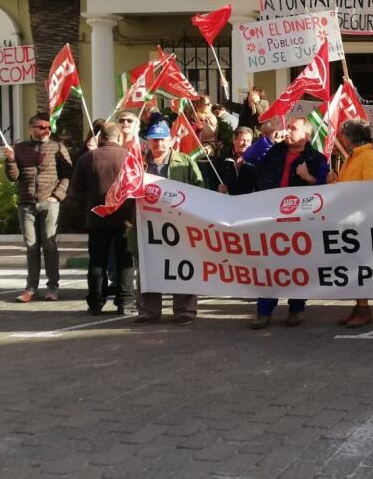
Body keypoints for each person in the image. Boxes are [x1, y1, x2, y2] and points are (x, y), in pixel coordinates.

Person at [245, 117, 330, 329]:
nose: (288, 131)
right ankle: (264, 311)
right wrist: (267, 138)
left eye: (293, 128)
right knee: (269, 265)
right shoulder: (274, 150)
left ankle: (296, 308)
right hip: (270, 216)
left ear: (307, 136)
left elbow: (325, 188)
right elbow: (249, 157)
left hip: (299, 221)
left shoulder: (317, 159)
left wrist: (308, 177)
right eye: (288, 127)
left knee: (297, 265)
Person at [133, 121, 205, 326]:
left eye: (162, 139)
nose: (159, 144)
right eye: (155, 140)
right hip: (147, 227)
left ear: (170, 140)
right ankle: (149, 311)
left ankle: (185, 310)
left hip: (180, 226)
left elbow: (199, 187)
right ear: (148, 141)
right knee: (148, 268)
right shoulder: (138, 164)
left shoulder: (184, 161)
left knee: (183, 266)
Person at [2, 113, 73, 303]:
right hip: (26, 203)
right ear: (31, 128)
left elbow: (68, 174)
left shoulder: (57, 147)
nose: (46, 131)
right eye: (41, 127)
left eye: (48, 127)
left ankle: (52, 287)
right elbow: (13, 177)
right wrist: (10, 160)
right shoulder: (20, 148)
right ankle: (31, 288)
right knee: (31, 246)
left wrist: (57, 196)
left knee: (50, 245)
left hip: (49, 203)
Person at [70, 122, 135, 315]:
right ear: (119, 137)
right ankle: (125, 302)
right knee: (125, 260)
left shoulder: (87, 158)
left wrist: (93, 197)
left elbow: (75, 190)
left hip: (97, 217)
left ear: (100, 138)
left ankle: (96, 303)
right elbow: (136, 188)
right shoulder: (128, 157)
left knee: (97, 260)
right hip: (124, 218)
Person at [328, 119, 373, 328]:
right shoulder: (353, 157)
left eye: (342, 134)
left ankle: (364, 308)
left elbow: (370, 190)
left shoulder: (368, 156)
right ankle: (359, 305)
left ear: (351, 137)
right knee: (352, 264)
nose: (340, 137)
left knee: (359, 265)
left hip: (359, 220)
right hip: (349, 219)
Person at [217, 126, 258, 196]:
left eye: (248, 141)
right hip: (225, 199)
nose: (245, 144)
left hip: (245, 201)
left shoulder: (254, 161)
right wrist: (218, 187)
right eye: (242, 140)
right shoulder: (222, 158)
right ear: (234, 140)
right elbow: (213, 178)